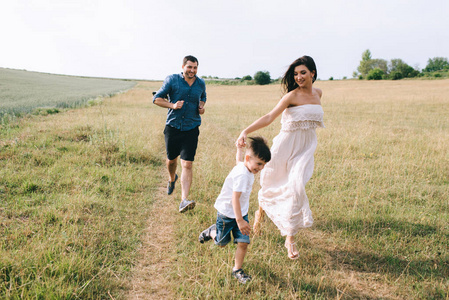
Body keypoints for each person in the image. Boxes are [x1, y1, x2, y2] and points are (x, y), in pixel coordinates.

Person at [236, 55, 324, 260]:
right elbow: (269, 117)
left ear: (313, 72)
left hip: (305, 149)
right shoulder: (291, 96)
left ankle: (289, 238)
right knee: (270, 183)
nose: (299, 77)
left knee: (295, 187)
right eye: (295, 74)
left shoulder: (319, 93)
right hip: (285, 146)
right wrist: (244, 131)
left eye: (303, 72)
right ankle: (260, 214)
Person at [198, 137, 271, 284]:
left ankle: (237, 270)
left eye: (263, 165)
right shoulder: (242, 175)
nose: (260, 168)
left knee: (243, 243)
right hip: (227, 214)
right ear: (248, 158)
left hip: (241, 214)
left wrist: (239, 148)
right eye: (259, 164)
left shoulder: (245, 166)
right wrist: (240, 221)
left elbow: (239, 160)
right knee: (221, 243)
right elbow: (234, 199)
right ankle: (212, 232)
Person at [153, 55, 207, 213]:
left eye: (195, 67)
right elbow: (157, 99)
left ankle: (184, 200)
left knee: (187, 164)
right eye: (189, 67)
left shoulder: (200, 83)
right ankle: (172, 178)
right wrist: (173, 105)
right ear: (183, 67)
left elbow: (203, 97)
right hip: (173, 127)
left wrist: (201, 106)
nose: (192, 70)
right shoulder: (172, 80)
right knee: (171, 161)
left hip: (191, 128)